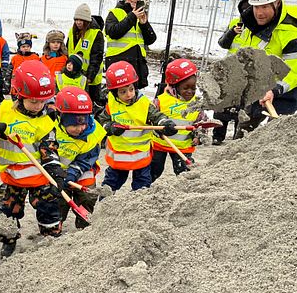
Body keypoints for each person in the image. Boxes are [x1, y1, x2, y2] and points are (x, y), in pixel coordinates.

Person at [0, 61, 60, 258]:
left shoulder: (47, 119)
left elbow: (50, 147)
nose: (38, 106)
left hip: (39, 176)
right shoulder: (3, 110)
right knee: (7, 212)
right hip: (12, 178)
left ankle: (50, 235)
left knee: (49, 206)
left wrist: (55, 168)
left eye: (42, 101)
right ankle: (9, 242)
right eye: (33, 101)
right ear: (19, 95)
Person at [236, 0, 297, 135]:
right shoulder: (251, 24)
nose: (259, 13)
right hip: (259, 89)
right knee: (244, 131)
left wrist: (274, 91)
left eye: (264, 7)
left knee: (273, 135)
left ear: (277, 3)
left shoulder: (294, 32)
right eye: (256, 7)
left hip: (285, 93)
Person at [98, 61, 177, 192]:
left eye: (131, 89)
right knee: (111, 184)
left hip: (141, 156)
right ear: (114, 93)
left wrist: (164, 123)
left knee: (142, 186)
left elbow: (157, 116)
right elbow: (102, 122)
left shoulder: (143, 104)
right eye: (123, 92)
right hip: (119, 156)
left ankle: (138, 207)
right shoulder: (111, 104)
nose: (129, 94)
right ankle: (103, 204)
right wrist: (110, 127)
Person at [52, 86, 106, 230]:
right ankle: (57, 223)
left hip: (83, 169)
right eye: (74, 125)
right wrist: (60, 174)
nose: (80, 128)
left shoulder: (93, 133)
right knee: (59, 199)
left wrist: (73, 173)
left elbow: (88, 157)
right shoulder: (51, 129)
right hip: (58, 171)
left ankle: (83, 224)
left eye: (83, 123)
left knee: (88, 196)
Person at [151, 59, 209, 182]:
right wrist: (156, 129)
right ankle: (144, 189)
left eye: (193, 88)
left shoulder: (196, 104)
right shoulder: (161, 101)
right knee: (153, 171)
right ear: (174, 86)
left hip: (183, 147)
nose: (190, 92)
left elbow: (202, 123)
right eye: (185, 88)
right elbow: (150, 118)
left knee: (184, 173)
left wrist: (199, 136)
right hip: (159, 144)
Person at [104, 0, 157, 89]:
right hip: (118, 63)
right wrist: (132, 17)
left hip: (137, 65)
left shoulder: (139, 15)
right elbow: (113, 32)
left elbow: (151, 39)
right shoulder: (115, 13)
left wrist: (144, 24)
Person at [212, 0, 250, 144]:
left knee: (242, 107)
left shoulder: (259, 27)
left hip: (246, 73)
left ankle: (237, 136)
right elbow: (222, 43)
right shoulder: (235, 23)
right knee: (223, 105)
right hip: (229, 71)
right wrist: (232, 33)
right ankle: (218, 134)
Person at [66, 3, 104, 105]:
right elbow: (67, 51)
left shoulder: (96, 33)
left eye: (81, 20)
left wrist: (90, 77)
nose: (78, 22)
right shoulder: (72, 31)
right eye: (76, 19)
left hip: (90, 79)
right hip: (74, 76)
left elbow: (97, 57)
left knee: (89, 104)